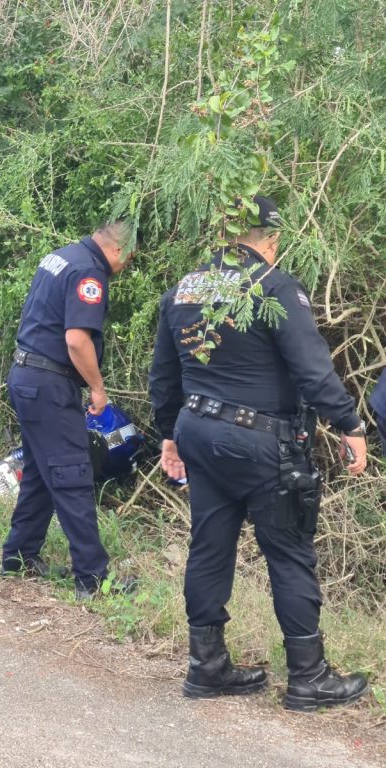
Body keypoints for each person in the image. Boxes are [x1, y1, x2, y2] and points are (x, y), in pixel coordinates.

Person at [149, 195, 369, 712]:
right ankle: (309, 677)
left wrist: (168, 434)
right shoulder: (275, 286)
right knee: (288, 551)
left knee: (209, 545)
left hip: (198, 431)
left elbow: (164, 376)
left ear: (223, 234)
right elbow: (312, 371)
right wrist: (349, 423)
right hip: (260, 441)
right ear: (271, 239)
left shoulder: (183, 290)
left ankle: (206, 666)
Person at [1, 221, 137, 599]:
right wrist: (97, 388)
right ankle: (92, 580)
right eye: (129, 259)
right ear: (118, 249)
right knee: (73, 473)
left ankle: (19, 557)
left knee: (41, 473)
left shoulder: (62, 257)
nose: (125, 267)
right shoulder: (89, 272)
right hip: (48, 383)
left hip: (27, 376)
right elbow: (77, 341)